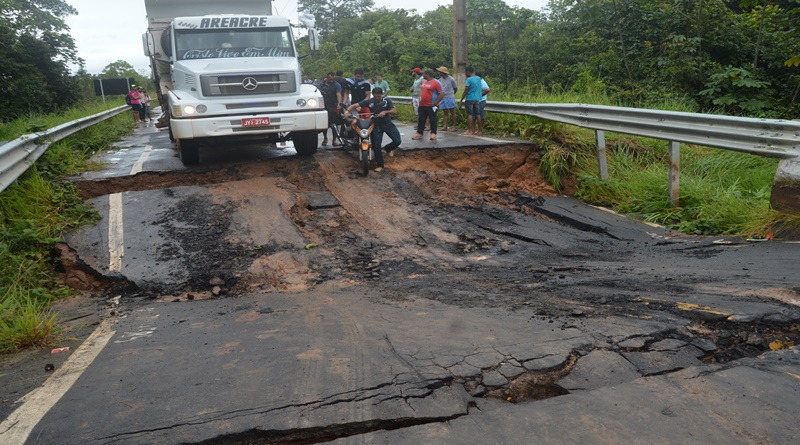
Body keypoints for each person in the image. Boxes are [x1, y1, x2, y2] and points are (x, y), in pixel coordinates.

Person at [345, 87, 400, 172]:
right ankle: (380, 165)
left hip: (387, 124)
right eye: (375, 96)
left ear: (382, 94)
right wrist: (347, 111)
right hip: (375, 125)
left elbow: (394, 111)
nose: (377, 98)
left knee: (397, 141)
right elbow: (355, 105)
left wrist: (385, 112)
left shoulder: (386, 100)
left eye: (378, 96)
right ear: (372, 95)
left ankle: (388, 148)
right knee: (376, 146)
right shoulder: (370, 101)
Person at [412, 69, 442, 141]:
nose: (423, 75)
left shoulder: (436, 82)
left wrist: (435, 102)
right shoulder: (424, 81)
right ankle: (419, 132)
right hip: (422, 104)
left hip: (431, 105)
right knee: (421, 119)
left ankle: (433, 133)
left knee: (432, 119)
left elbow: (442, 93)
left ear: (428, 74)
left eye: (424, 74)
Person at [459, 66, 487, 135]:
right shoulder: (478, 78)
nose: (465, 73)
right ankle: (480, 130)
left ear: (468, 72)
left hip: (470, 98)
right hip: (477, 99)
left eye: (465, 72)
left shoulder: (469, 79)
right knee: (478, 114)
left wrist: (461, 100)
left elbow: (465, 91)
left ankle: (470, 130)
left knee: (469, 114)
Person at [318, 71, 343, 146]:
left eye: (333, 79)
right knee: (324, 124)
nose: (332, 80)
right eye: (330, 79)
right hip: (323, 107)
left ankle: (334, 140)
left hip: (333, 107)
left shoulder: (336, 85)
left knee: (334, 124)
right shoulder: (321, 84)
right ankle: (325, 138)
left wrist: (339, 103)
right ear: (327, 77)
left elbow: (338, 94)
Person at [436, 66, 458, 131]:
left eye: (439, 72)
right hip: (443, 98)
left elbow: (455, 88)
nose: (438, 73)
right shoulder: (440, 80)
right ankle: (445, 126)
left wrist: (452, 94)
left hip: (450, 97)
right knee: (445, 112)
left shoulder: (451, 79)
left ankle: (454, 126)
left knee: (452, 112)